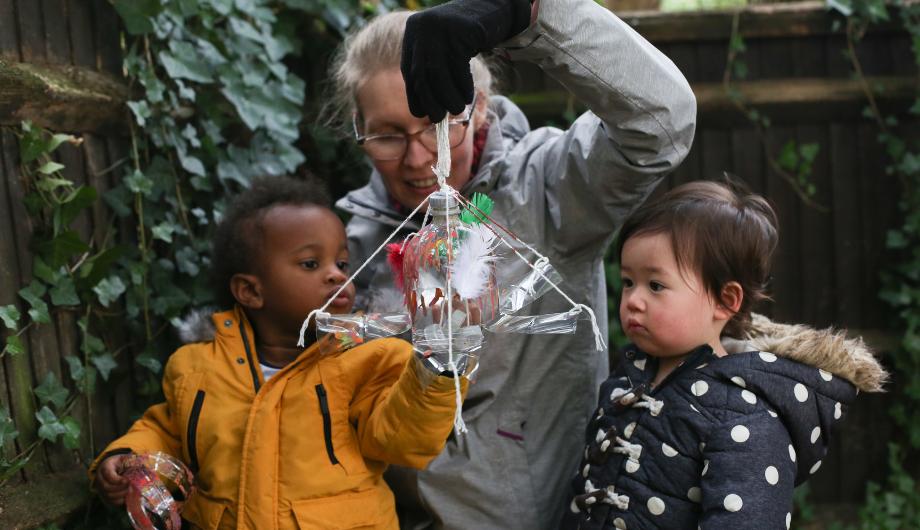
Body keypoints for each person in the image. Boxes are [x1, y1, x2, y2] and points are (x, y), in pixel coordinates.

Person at [329, 0, 697, 526]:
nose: (417, 159)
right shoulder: (349, 243)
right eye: (387, 134)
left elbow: (662, 122)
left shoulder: (548, 189)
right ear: (358, 128)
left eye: (437, 126)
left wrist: (528, 13)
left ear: (478, 107)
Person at [89, 175, 466, 530]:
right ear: (251, 291)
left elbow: (403, 437)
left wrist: (437, 367)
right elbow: (167, 432)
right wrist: (127, 457)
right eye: (311, 263)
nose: (338, 276)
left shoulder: (367, 359)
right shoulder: (196, 367)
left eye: (342, 263)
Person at [561, 181, 888, 529]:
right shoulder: (629, 376)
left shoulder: (744, 417)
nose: (633, 300)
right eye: (628, 281)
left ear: (725, 300)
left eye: (655, 285)